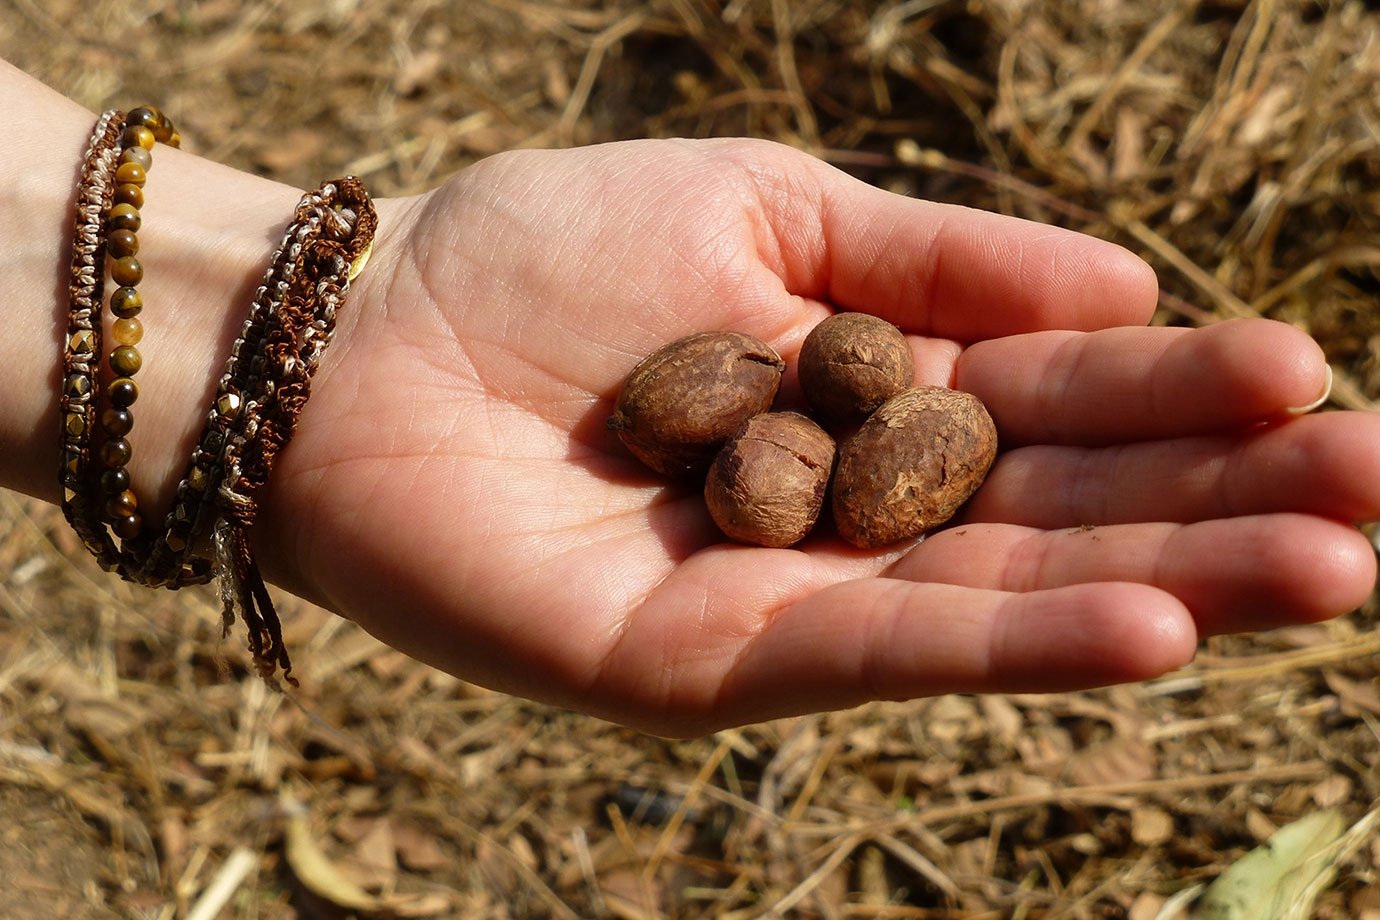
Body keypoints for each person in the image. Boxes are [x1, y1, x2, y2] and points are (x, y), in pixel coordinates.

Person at [4, 60, 1377, 737]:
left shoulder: (825, 415)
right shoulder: (780, 417)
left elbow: (841, 422)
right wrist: (354, 312)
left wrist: (263, 329)